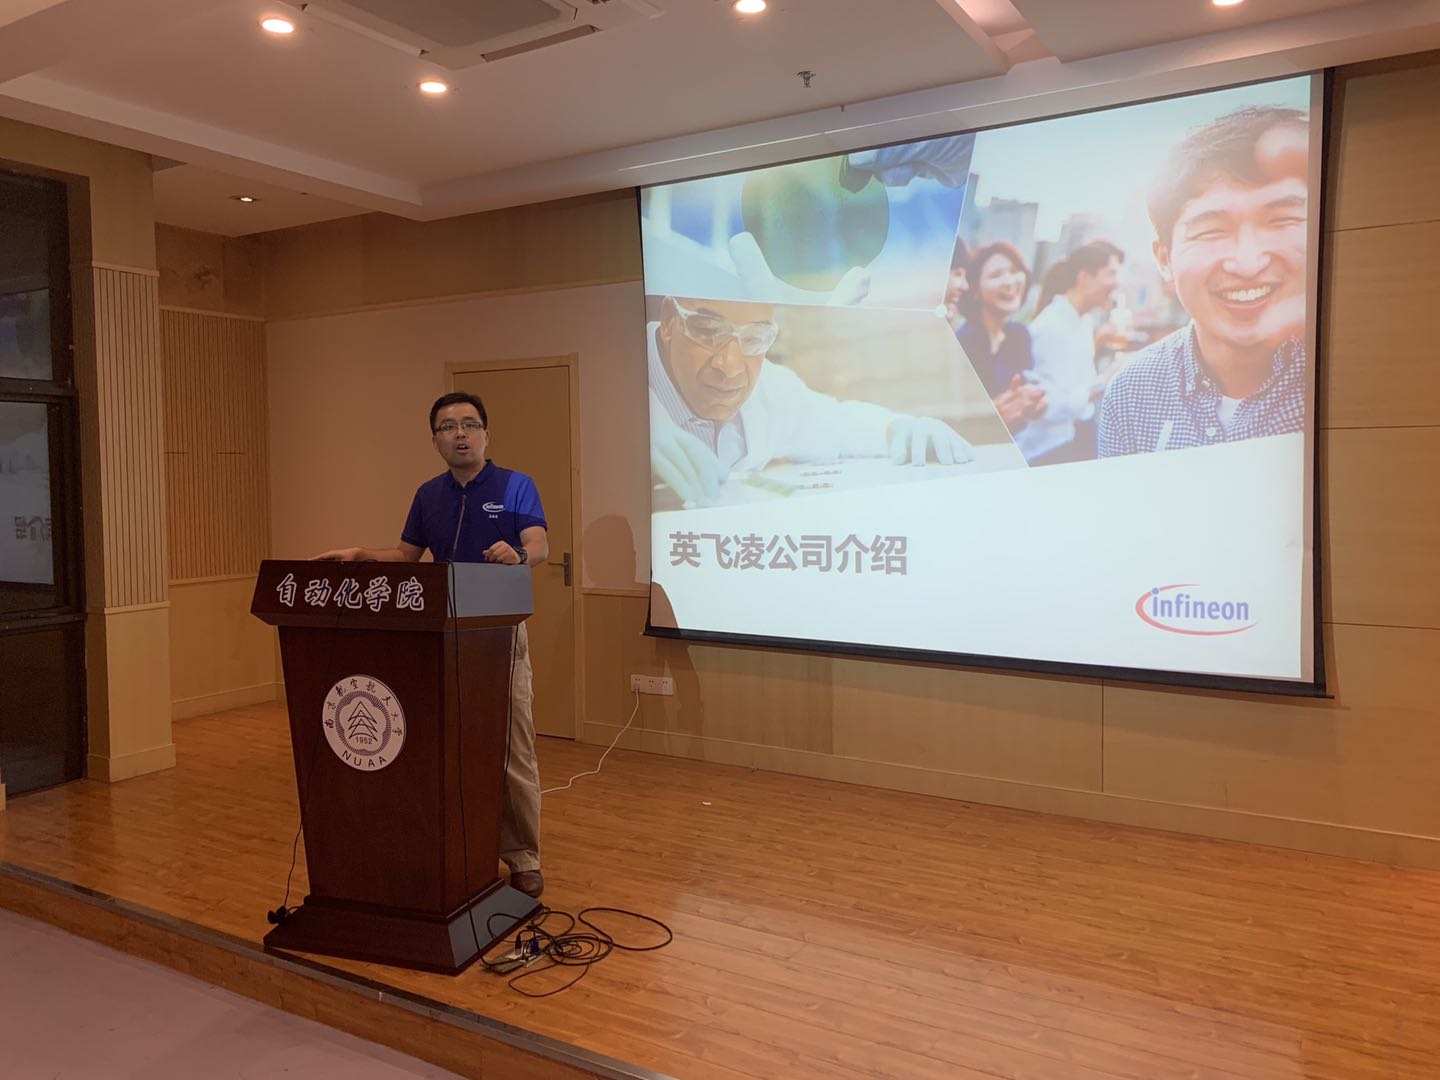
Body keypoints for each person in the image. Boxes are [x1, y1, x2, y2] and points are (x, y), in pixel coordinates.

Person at [314, 391, 548, 899]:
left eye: (469, 424)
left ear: (486, 434)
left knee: (511, 746)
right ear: (436, 440)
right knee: (441, 744)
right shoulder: (428, 495)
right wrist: (360, 554)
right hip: (440, 635)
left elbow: (539, 545)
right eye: (448, 427)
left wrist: (518, 553)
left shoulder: (515, 485)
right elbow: (407, 555)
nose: (460, 434)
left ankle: (523, 856)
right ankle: (455, 844)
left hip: (500, 634)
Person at [1099, 105, 1310, 457]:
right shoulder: (1130, 393)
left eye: (1281, 220)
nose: (1248, 263)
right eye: (1212, 230)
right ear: (1164, 258)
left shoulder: (1356, 369)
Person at [649, 295, 976, 507]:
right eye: (708, 330)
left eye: (754, 338)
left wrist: (901, 427)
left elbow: (837, 425)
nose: (730, 366)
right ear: (668, 322)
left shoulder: (771, 390)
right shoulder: (621, 378)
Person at [1024, 241, 1125, 463]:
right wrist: (1107, 379)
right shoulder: (1050, 327)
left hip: (1075, 436)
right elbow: (1051, 406)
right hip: (1048, 450)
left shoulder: (1083, 320)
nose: (1117, 283)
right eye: (1111, 273)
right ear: (1085, 278)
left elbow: (1077, 380)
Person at [952, 242, 1047, 435]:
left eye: (1014, 271)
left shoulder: (1020, 335)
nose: (1009, 281)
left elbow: (1027, 391)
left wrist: (1034, 404)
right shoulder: (963, 341)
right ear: (975, 290)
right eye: (996, 275)